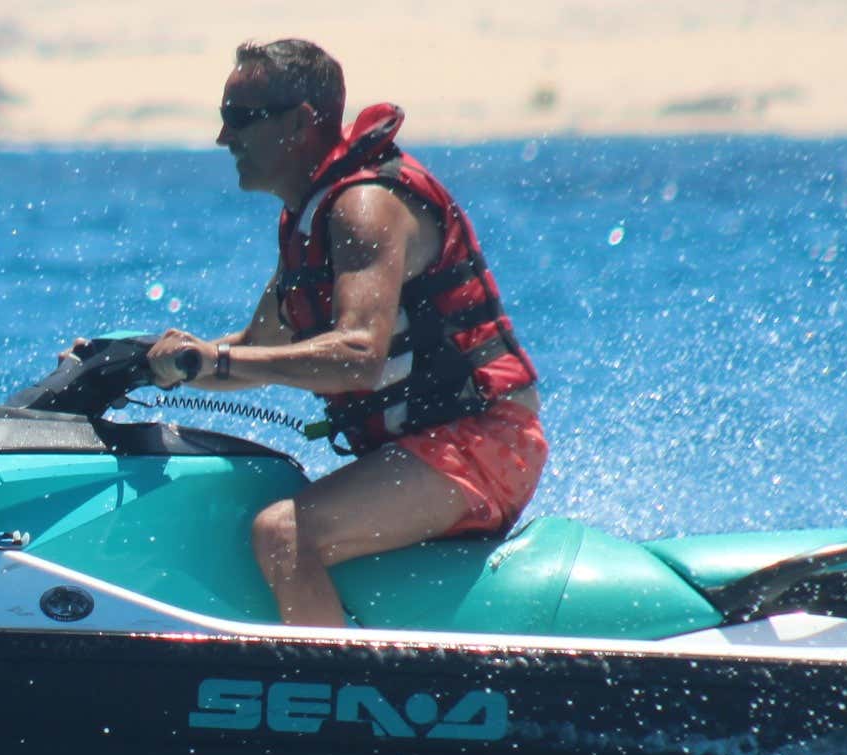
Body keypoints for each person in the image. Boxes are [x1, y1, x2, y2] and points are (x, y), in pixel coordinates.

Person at [135, 38, 547, 627]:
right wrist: (137, 360)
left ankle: (335, 701)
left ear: (300, 122)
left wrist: (212, 362)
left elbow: (359, 356)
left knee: (283, 535)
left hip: (484, 439)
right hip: (430, 448)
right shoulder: (307, 216)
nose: (224, 140)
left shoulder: (365, 206)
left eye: (239, 120)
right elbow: (259, 349)